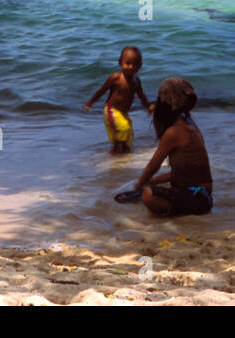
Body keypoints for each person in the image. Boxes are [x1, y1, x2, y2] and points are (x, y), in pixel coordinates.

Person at [133, 77, 213, 216]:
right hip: (203, 198)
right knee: (151, 187)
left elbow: (152, 167)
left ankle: (169, 219)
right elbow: (184, 173)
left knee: (148, 195)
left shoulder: (174, 132)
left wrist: (137, 187)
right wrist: (151, 181)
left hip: (196, 198)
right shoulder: (191, 126)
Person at [83, 46, 151, 154]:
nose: (131, 67)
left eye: (135, 64)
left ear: (140, 65)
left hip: (123, 113)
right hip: (112, 110)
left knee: (129, 134)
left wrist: (148, 107)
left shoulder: (136, 80)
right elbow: (102, 90)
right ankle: (115, 152)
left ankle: (123, 153)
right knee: (124, 129)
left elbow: (141, 96)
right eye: (127, 63)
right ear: (120, 62)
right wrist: (91, 102)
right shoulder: (116, 78)